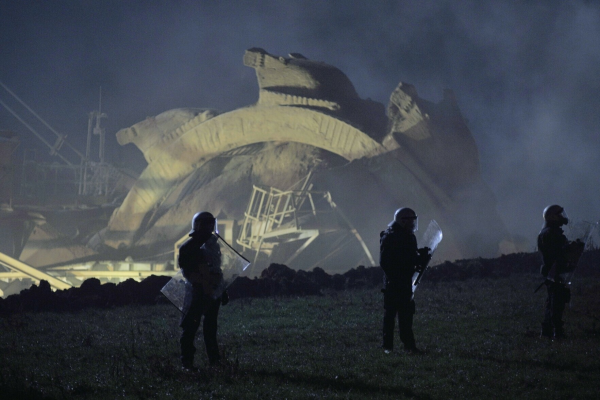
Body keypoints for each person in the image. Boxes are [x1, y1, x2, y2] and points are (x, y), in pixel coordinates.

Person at [178, 211, 229, 369]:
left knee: (210, 329)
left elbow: (216, 269)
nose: (209, 228)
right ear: (199, 225)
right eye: (206, 224)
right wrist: (203, 283)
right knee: (190, 329)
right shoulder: (188, 247)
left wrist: (222, 290)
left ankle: (214, 361)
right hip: (196, 293)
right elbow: (187, 273)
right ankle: (187, 362)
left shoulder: (212, 246)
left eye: (211, 224)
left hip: (212, 294)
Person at [380, 207, 430, 354]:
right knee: (394, 316)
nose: (414, 224)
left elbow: (407, 256)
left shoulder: (404, 235)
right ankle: (393, 346)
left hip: (400, 282)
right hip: (396, 283)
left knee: (402, 316)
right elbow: (387, 261)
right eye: (411, 220)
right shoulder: (393, 236)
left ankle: (400, 346)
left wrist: (419, 256)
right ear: (403, 221)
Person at [538, 205, 582, 339]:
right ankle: (556, 331)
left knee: (553, 301)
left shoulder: (550, 232)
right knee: (556, 303)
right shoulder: (550, 233)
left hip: (555, 272)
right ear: (552, 216)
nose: (562, 217)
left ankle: (548, 331)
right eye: (559, 214)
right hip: (555, 273)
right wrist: (571, 248)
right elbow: (557, 253)